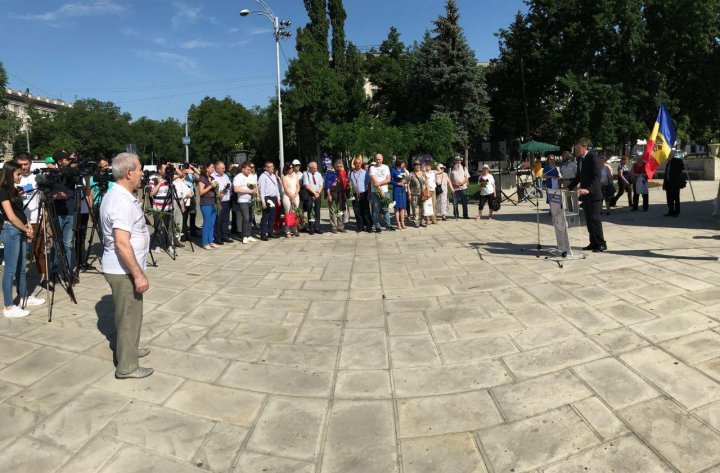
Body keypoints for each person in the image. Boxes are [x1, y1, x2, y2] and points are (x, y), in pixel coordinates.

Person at [99, 153, 153, 379]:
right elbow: (122, 242)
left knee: (132, 315)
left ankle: (130, 349)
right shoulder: (121, 201)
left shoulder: (120, 196)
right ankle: (127, 367)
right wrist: (138, 275)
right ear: (129, 172)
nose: (142, 173)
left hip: (124, 268)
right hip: (123, 270)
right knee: (128, 317)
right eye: (140, 168)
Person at [1, 161, 44, 317]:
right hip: (11, 231)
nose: (21, 176)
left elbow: (19, 211)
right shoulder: (3, 191)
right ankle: (8, 307)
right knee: (10, 270)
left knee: (21, 268)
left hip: (20, 229)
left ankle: (24, 296)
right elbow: (11, 217)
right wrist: (26, 229)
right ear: (10, 174)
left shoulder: (13, 191)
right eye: (18, 174)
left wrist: (27, 225)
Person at [569, 137, 606, 252]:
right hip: (585, 196)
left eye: (578, 147)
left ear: (584, 147)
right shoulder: (580, 159)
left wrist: (588, 189)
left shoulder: (592, 157)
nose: (576, 149)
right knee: (589, 221)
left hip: (594, 195)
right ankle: (593, 242)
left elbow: (597, 176)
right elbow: (579, 176)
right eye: (576, 148)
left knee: (595, 219)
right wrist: (569, 186)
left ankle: (601, 244)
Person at [15, 152, 46, 287]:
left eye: (25, 164)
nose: (23, 167)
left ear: (30, 163)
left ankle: (43, 278)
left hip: (36, 218)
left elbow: (43, 198)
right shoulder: (14, 178)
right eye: (20, 164)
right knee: (20, 251)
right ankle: (21, 279)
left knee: (39, 250)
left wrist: (45, 217)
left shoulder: (37, 178)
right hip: (18, 220)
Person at [50, 151, 77, 275]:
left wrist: (75, 160)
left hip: (70, 212)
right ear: (60, 161)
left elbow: (76, 169)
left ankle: (68, 271)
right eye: (66, 159)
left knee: (68, 244)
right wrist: (56, 196)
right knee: (56, 243)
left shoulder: (71, 174)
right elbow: (46, 195)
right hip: (57, 213)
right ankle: (53, 270)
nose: (69, 160)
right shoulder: (52, 174)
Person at [543, 155, 570, 256]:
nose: (551, 160)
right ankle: (552, 213)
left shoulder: (557, 167)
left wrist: (558, 177)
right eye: (550, 159)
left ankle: (558, 213)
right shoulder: (546, 167)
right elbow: (543, 176)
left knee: (559, 204)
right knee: (551, 203)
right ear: (548, 160)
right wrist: (551, 177)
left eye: (553, 159)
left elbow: (561, 176)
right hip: (550, 188)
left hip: (557, 188)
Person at [232, 162, 258, 244]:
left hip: (251, 200)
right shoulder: (238, 177)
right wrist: (249, 191)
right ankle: (244, 236)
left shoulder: (251, 176)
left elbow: (255, 186)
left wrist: (256, 195)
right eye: (247, 169)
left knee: (250, 218)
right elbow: (236, 189)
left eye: (250, 170)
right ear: (243, 169)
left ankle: (249, 234)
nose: (249, 171)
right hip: (243, 200)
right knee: (246, 217)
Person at [369, 153, 395, 232]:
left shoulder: (386, 167)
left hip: (386, 191)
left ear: (382, 159)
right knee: (376, 210)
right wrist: (381, 190)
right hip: (375, 192)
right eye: (377, 159)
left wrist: (379, 183)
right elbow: (374, 180)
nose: (378, 160)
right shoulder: (372, 168)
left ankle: (388, 225)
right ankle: (377, 226)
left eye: (379, 159)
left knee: (386, 209)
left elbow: (388, 179)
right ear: (375, 159)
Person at [258, 161, 281, 241]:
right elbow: (262, 189)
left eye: (273, 166)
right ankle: (263, 234)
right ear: (266, 168)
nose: (272, 168)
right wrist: (263, 201)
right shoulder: (263, 176)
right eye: (270, 167)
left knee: (272, 216)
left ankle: (270, 232)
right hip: (266, 198)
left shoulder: (274, 176)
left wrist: (278, 198)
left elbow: (276, 188)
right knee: (266, 216)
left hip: (273, 198)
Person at [198, 163, 218, 249]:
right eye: (212, 167)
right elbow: (201, 192)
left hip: (213, 203)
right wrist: (210, 186)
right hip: (205, 203)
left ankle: (211, 241)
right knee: (207, 223)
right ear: (207, 168)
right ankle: (205, 242)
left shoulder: (212, 178)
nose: (213, 169)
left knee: (212, 223)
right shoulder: (202, 178)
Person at [211, 161, 232, 245]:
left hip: (226, 201)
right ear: (217, 168)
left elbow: (229, 185)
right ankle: (217, 237)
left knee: (225, 220)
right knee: (218, 220)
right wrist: (218, 194)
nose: (224, 169)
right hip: (218, 202)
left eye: (224, 168)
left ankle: (225, 236)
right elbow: (213, 188)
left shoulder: (225, 175)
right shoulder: (213, 176)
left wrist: (224, 192)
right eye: (222, 168)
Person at [349, 157, 372, 233]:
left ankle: (369, 227)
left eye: (359, 163)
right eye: (356, 163)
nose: (358, 164)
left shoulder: (365, 172)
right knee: (357, 212)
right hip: (355, 194)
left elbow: (369, 183)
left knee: (366, 211)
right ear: (354, 164)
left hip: (364, 193)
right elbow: (349, 182)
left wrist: (368, 193)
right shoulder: (351, 173)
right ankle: (360, 227)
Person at [325, 159, 348, 233]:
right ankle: (334, 227)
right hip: (332, 194)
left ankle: (340, 226)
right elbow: (327, 185)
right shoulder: (330, 173)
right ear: (334, 165)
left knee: (340, 211)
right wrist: (329, 195)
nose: (339, 168)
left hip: (340, 195)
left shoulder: (341, 172)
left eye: (340, 166)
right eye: (337, 166)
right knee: (333, 211)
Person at [303, 161, 324, 235]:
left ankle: (317, 227)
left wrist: (318, 192)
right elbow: (307, 185)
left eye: (316, 168)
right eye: (314, 168)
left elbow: (321, 185)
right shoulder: (306, 174)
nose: (315, 169)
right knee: (311, 211)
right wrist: (314, 193)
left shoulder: (318, 174)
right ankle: (311, 228)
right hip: (310, 194)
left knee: (317, 211)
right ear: (310, 168)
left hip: (317, 194)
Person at [282, 163, 300, 237]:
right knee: (288, 212)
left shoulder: (295, 176)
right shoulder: (284, 177)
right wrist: (291, 196)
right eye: (290, 168)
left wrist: (295, 194)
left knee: (294, 212)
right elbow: (285, 188)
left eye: (292, 167)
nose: (291, 169)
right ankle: (287, 230)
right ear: (286, 169)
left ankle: (294, 229)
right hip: (287, 196)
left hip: (295, 195)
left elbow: (298, 186)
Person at [182, 163, 200, 237]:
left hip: (192, 196)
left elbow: (199, 176)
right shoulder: (182, 171)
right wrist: (190, 169)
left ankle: (193, 231)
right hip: (185, 196)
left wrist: (193, 168)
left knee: (193, 213)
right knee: (184, 215)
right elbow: (184, 171)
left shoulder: (191, 173)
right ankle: (184, 233)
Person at [408, 162, 427, 228]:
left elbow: (426, 183)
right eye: (416, 165)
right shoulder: (411, 174)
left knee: (422, 208)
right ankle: (416, 221)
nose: (418, 166)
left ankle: (422, 221)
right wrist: (409, 193)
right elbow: (408, 184)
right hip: (414, 194)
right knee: (415, 208)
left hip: (422, 194)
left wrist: (427, 192)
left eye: (419, 164)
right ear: (414, 166)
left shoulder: (423, 173)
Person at [391, 160, 407, 230]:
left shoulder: (403, 170)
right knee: (397, 207)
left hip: (402, 189)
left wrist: (405, 181)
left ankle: (403, 222)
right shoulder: (393, 170)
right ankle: (398, 223)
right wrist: (397, 183)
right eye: (402, 163)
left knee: (402, 207)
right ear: (399, 163)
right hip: (396, 189)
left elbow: (405, 178)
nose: (403, 164)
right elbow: (390, 181)